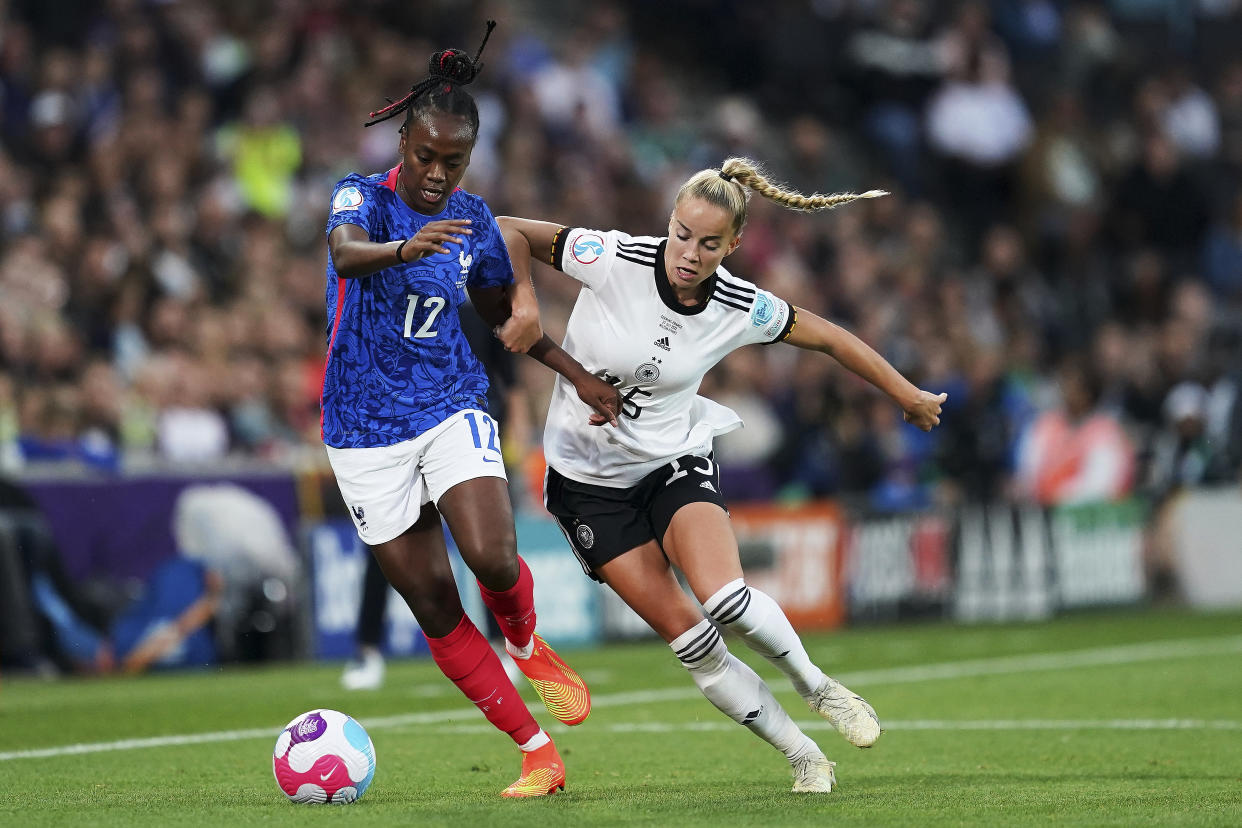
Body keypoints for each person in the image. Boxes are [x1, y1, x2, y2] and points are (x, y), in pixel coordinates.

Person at [499, 157, 946, 794]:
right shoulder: (614, 257)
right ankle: (804, 756)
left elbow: (829, 339)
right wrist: (523, 303)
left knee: (724, 600)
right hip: (586, 486)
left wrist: (905, 394)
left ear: (732, 245)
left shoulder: (739, 303)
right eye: (682, 233)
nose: (688, 252)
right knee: (692, 641)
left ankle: (819, 688)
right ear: (670, 222)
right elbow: (506, 229)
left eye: (709, 243)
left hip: (671, 460)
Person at [322, 23, 620, 798]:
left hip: (449, 403)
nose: (434, 172)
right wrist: (405, 250)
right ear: (404, 141)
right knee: (432, 601)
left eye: (451, 161)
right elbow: (345, 253)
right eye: (424, 156)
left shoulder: (475, 222)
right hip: (360, 429)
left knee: (490, 556)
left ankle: (526, 642)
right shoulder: (360, 197)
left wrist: (573, 372)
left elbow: (499, 312)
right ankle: (536, 751)